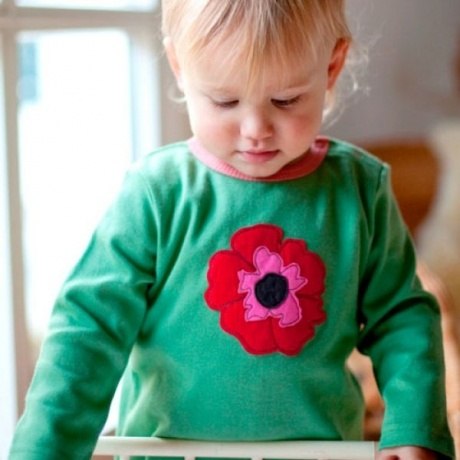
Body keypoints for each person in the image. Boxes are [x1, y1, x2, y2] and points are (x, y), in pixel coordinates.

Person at [8, 1, 454, 459]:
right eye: (225, 101)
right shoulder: (156, 195)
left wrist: (414, 426)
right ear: (180, 67)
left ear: (331, 67)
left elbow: (403, 320)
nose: (256, 129)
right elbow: (89, 329)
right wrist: (43, 450)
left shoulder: (359, 191)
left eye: (286, 100)